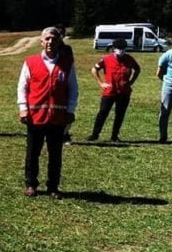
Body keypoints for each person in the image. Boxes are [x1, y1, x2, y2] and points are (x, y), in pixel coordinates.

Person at [18, 27, 78, 199]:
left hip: (57, 117)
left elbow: (73, 89)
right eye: (47, 39)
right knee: (32, 153)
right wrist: (23, 108)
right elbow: (22, 87)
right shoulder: (30, 62)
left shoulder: (67, 64)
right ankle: (31, 184)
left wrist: (70, 110)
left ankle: (53, 186)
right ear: (41, 42)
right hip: (35, 116)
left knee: (55, 154)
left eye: (54, 39)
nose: (50, 42)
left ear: (59, 42)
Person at [87, 38, 140, 142]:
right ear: (114, 48)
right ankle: (95, 134)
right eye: (119, 48)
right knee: (103, 112)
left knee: (120, 114)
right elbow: (94, 69)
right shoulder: (106, 59)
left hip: (124, 92)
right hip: (109, 91)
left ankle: (114, 136)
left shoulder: (129, 59)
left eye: (123, 48)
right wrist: (101, 83)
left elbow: (137, 69)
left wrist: (131, 81)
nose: (121, 51)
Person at [56, 24, 75, 144]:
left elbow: (70, 63)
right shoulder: (50, 46)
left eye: (62, 33)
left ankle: (65, 134)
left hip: (64, 78)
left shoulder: (67, 49)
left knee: (66, 108)